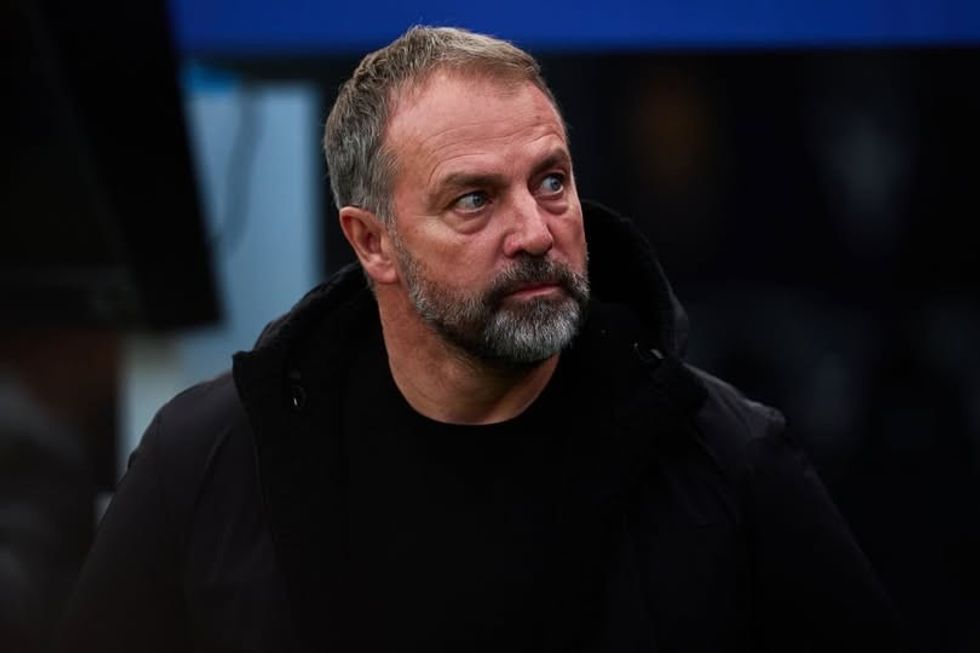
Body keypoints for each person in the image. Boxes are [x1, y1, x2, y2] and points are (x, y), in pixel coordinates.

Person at [58, 26, 905, 652]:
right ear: (372, 242)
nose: (535, 230)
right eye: (474, 199)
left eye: (551, 182)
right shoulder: (212, 461)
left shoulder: (726, 458)